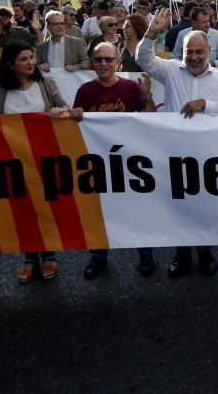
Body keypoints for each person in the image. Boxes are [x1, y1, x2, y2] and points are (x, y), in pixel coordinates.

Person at [137, 9, 218, 277]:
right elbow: (143, 58)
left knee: (205, 208)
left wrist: (205, 104)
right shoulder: (170, 70)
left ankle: (205, 254)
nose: (193, 57)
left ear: (209, 53)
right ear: (182, 51)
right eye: (189, 51)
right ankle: (181, 256)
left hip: (208, 155)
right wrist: (152, 32)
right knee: (177, 208)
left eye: (199, 52)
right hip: (175, 152)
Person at [0, 43, 83, 283]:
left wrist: (60, 111)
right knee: (23, 209)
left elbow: (64, 106)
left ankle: (49, 255)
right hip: (14, 161)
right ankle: (29, 258)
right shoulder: (0, 91)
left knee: (45, 208)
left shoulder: (45, 84)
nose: (30, 62)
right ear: (11, 64)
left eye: (31, 57)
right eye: (24, 59)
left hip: (44, 158)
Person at [74, 42, 157, 279]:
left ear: (117, 62)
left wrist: (148, 96)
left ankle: (146, 253)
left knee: (137, 210)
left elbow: (150, 119)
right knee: (100, 211)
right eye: (99, 60)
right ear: (93, 63)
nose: (104, 64)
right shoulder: (85, 91)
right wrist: (74, 115)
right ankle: (99, 256)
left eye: (108, 60)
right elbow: (75, 125)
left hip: (130, 160)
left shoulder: (131, 88)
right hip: (97, 162)